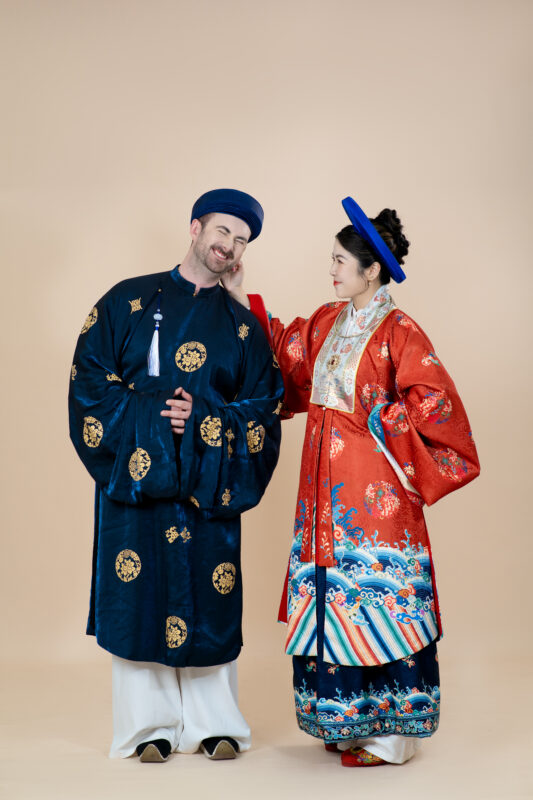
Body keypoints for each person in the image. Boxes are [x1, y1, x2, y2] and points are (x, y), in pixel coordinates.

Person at [222, 196, 480, 767]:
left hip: (375, 503)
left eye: (341, 260)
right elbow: (284, 351)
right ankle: (347, 721)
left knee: (377, 602)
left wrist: (380, 418)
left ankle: (391, 737)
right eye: (333, 258)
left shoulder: (401, 332)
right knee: (334, 600)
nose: (332, 269)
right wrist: (241, 297)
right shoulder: (328, 321)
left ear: (373, 270)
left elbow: (436, 407)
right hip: (323, 499)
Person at [69, 188, 284, 763]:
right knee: (139, 597)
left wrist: (206, 422)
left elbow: (263, 407)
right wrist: (154, 423)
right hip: (136, 485)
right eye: (222, 231)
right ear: (195, 228)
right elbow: (88, 382)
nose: (229, 245)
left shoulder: (244, 326)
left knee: (210, 594)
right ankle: (149, 728)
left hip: (207, 486)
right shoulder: (126, 301)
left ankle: (215, 724)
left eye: (241, 240)